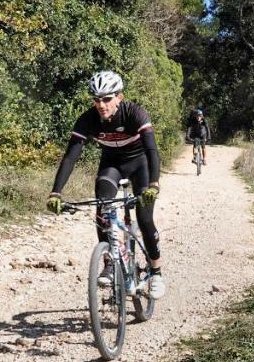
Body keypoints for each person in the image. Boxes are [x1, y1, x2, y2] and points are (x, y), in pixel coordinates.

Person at [46, 71, 166, 300]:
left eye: (107, 98)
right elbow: (70, 157)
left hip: (140, 165)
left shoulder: (135, 114)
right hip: (112, 165)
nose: (101, 105)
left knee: (144, 217)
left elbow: (152, 151)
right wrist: (56, 192)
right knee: (103, 207)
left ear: (119, 97)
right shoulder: (88, 119)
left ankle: (156, 271)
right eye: (96, 99)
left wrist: (154, 184)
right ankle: (110, 262)